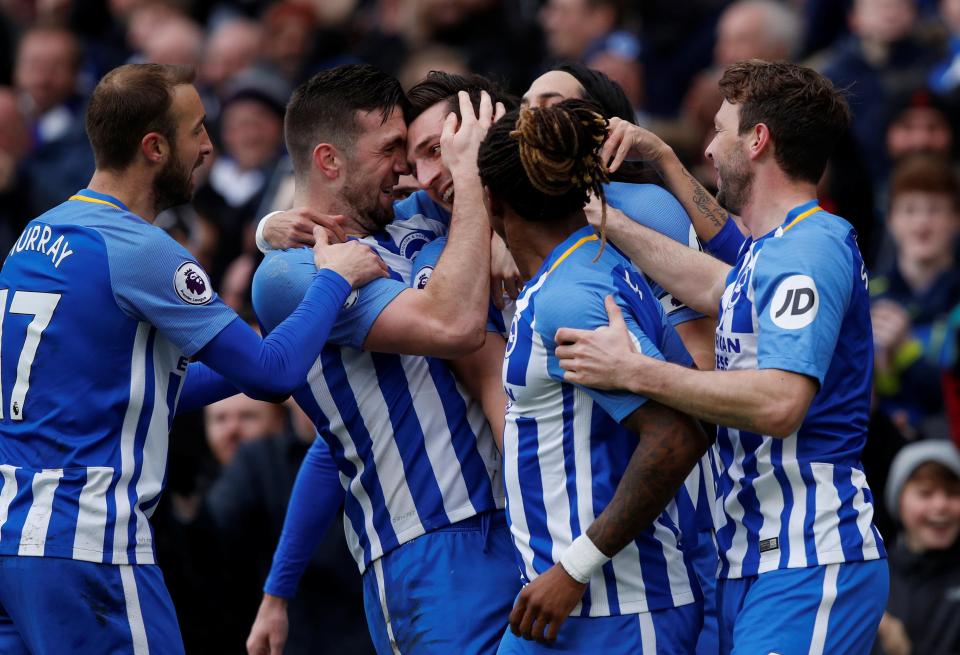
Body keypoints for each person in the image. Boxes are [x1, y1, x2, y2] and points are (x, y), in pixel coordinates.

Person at [0, 63, 385, 654]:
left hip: (14, 544)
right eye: (198, 129)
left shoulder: (36, 236)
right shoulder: (144, 251)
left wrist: (262, 245)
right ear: (154, 148)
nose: (210, 145)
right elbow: (273, 375)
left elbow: (146, 392)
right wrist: (332, 282)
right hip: (90, 549)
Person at [553, 60, 888, 653]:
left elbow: (781, 403)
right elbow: (716, 286)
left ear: (757, 140)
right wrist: (605, 221)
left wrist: (633, 371)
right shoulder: (773, 250)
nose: (708, 149)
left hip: (809, 557)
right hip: (758, 561)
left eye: (719, 130)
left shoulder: (808, 248)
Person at [247, 65, 519, 655]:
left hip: (520, 519)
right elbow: (453, 325)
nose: (408, 167)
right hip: (428, 550)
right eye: (391, 149)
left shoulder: (418, 217)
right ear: (329, 161)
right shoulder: (294, 273)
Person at [476, 99, 710, 652]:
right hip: (558, 609)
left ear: (491, 199)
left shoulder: (572, 295)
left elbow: (677, 437)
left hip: (617, 609)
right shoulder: (586, 265)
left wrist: (575, 567)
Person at [877, 440, 960, 655]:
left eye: (953, 494)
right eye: (926, 493)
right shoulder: (875, 577)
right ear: (898, 501)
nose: (941, 505)